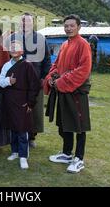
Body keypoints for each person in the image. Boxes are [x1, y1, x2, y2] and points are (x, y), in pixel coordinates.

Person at [44, 14, 92, 174]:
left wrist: (61, 82)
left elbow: (83, 70)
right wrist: (51, 78)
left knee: (79, 125)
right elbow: (56, 65)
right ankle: (66, 154)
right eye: (66, 26)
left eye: (72, 25)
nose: (68, 28)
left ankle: (79, 159)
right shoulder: (65, 44)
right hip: (63, 90)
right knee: (65, 123)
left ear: (79, 27)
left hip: (77, 92)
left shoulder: (83, 44)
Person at [8, 13, 51, 148]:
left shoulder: (40, 38)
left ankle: (31, 137)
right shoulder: (13, 38)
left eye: (28, 21)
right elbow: (6, 58)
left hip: (35, 80)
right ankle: (16, 135)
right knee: (17, 109)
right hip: (16, 81)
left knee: (33, 110)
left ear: (33, 23)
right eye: (23, 21)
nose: (25, 24)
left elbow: (47, 59)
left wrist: (44, 77)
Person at [0, 41, 40, 169]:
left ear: (22, 51)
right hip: (9, 100)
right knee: (12, 128)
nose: (14, 49)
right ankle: (15, 152)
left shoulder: (27, 65)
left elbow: (34, 85)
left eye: (16, 47)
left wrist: (30, 103)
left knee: (22, 129)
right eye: (11, 48)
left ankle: (23, 156)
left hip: (23, 100)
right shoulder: (6, 65)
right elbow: (0, 82)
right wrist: (8, 81)